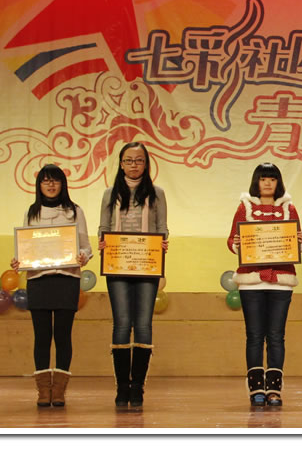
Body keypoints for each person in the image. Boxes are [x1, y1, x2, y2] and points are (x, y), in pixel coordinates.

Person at [10, 164, 92, 407]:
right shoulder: (32, 211)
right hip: (38, 280)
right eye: (45, 180)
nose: (50, 184)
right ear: (39, 185)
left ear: (62, 184)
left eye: (55, 180)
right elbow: (25, 246)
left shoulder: (75, 211)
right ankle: (43, 391)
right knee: (42, 336)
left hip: (67, 279)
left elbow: (86, 246)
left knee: (63, 335)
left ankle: (59, 391)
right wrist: (19, 260)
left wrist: (83, 257)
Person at [227, 163, 302, 407]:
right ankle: (256, 390)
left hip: (281, 281)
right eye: (263, 179)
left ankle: (274, 391)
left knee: (276, 337)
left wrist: (299, 242)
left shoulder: (289, 208)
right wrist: (238, 242)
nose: (268, 183)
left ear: (278, 182)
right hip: (251, 282)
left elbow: (298, 242)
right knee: (254, 336)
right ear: (256, 182)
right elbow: (231, 241)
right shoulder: (244, 208)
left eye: (272, 179)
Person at [99, 142, 169, 407]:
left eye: (139, 160)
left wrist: (162, 243)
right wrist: (103, 243)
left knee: (143, 324)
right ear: (121, 164)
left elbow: (162, 227)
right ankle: (122, 387)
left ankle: (138, 387)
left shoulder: (157, 193)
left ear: (146, 164)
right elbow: (103, 227)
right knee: (121, 323)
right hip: (117, 265)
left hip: (146, 265)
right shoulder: (110, 194)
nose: (134, 165)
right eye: (129, 160)